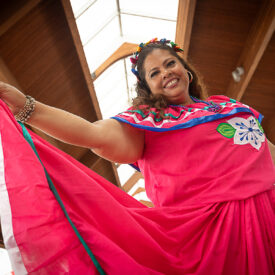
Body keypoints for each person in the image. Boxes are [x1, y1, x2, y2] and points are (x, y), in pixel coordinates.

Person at [0, 38, 274, 275]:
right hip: (212, 240)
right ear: (147, 87)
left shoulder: (230, 105)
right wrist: (26, 107)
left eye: (170, 64)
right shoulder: (148, 122)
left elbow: (267, 151)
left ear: (187, 71)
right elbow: (91, 133)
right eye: (154, 73)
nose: (165, 73)